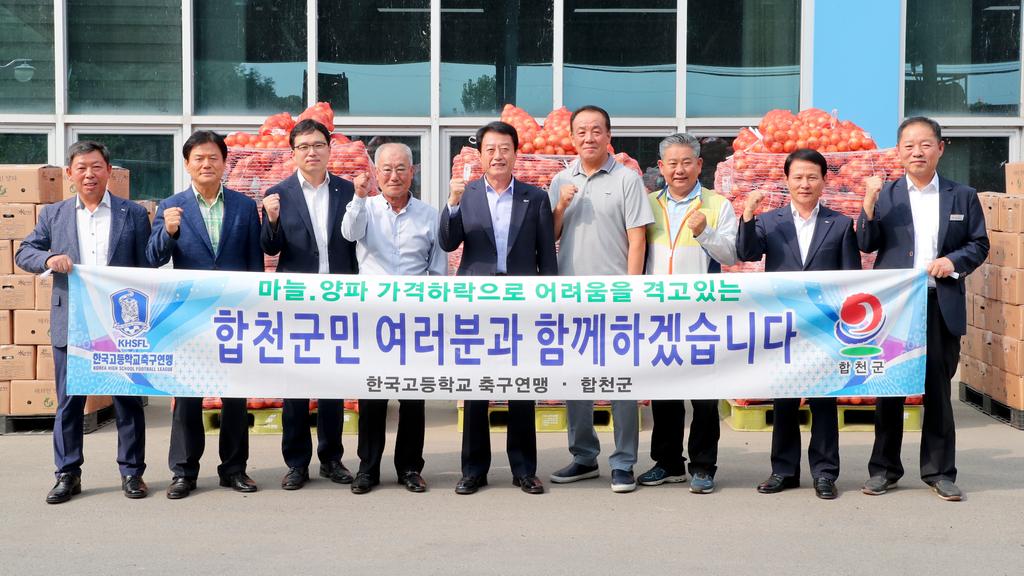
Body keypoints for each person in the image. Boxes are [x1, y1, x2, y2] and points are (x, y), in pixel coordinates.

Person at [857, 117, 989, 501]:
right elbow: (867, 244)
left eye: (925, 144)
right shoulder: (886, 194)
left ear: (940, 148)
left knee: (937, 390)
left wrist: (953, 261)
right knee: (890, 388)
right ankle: (884, 469)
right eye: (909, 145)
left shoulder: (962, 195)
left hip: (939, 301)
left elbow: (979, 244)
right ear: (898, 152)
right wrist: (867, 206)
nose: (917, 152)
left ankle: (940, 471)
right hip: (896, 308)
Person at [16, 141, 154, 503]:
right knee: (69, 403)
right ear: (69, 174)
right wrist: (49, 259)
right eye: (81, 168)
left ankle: (132, 472)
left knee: (127, 399)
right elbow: (24, 252)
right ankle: (67, 473)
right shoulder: (54, 215)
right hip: (72, 320)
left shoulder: (133, 214)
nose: (89, 174)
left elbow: (147, 267)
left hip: (119, 323)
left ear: (109, 170)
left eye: (96, 167)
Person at [439, 120, 557, 495]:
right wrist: (452, 204)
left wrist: (548, 300)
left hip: (522, 300)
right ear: (481, 155)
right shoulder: (467, 194)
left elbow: (546, 257)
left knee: (521, 384)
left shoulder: (535, 197)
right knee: (477, 386)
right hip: (478, 299)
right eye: (490, 149)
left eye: (505, 148)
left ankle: (524, 469)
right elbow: (447, 242)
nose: (498, 155)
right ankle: (474, 469)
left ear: (515, 153)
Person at [737, 148, 861, 500]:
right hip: (784, 325)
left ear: (824, 181)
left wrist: (845, 325)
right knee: (785, 401)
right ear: (787, 181)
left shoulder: (839, 224)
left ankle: (825, 473)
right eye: (798, 177)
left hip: (825, 326)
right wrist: (747, 215)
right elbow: (747, 253)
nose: (805, 184)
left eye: (812, 177)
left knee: (824, 402)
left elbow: (850, 279)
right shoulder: (771, 221)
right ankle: (783, 471)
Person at [147, 130, 263, 499]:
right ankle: (183, 472)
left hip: (233, 314)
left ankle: (234, 469)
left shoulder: (245, 207)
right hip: (190, 315)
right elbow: (153, 258)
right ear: (187, 165)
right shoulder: (172, 205)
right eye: (198, 158)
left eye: (213, 157)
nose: (206, 164)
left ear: (225, 162)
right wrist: (168, 230)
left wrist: (253, 309)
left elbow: (254, 264)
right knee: (188, 398)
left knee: (234, 396)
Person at [547, 105, 655, 493]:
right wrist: (560, 204)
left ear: (609, 136)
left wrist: (630, 290)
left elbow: (637, 237)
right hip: (571, 296)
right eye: (581, 131)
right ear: (571, 137)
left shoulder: (627, 179)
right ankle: (583, 456)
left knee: (621, 382)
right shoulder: (560, 179)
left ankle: (623, 462)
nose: (589, 137)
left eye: (596, 130)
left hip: (615, 295)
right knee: (576, 379)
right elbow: (551, 235)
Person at [341, 143, 445, 494]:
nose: (393, 176)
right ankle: (368, 469)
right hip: (374, 319)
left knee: (413, 397)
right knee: (372, 396)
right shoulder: (365, 208)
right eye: (385, 169)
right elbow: (349, 234)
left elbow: (438, 269)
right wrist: (357, 197)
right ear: (376, 174)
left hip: (415, 318)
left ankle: (410, 468)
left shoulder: (430, 214)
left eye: (400, 168)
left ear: (412, 172)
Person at [261, 119, 359, 490]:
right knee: (296, 385)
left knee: (333, 382)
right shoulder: (278, 193)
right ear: (293, 153)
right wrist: (271, 220)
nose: (311, 152)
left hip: (339, 299)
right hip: (297, 301)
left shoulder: (348, 191)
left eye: (318, 145)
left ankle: (331, 459)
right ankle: (297, 463)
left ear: (329, 149)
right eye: (303, 147)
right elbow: (270, 248)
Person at [638, 133, 737, 495]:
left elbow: (731, 255)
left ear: (699, 165)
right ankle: (666, 463)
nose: (679, 170)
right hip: (658, 312)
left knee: (704, 394)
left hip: (702, 313)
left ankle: (703, 465)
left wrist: (706, 231)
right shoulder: (647, 204)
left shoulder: (717, 204)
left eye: (686, 163)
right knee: (664, 390)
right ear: (661, 167)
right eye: (672, 163)